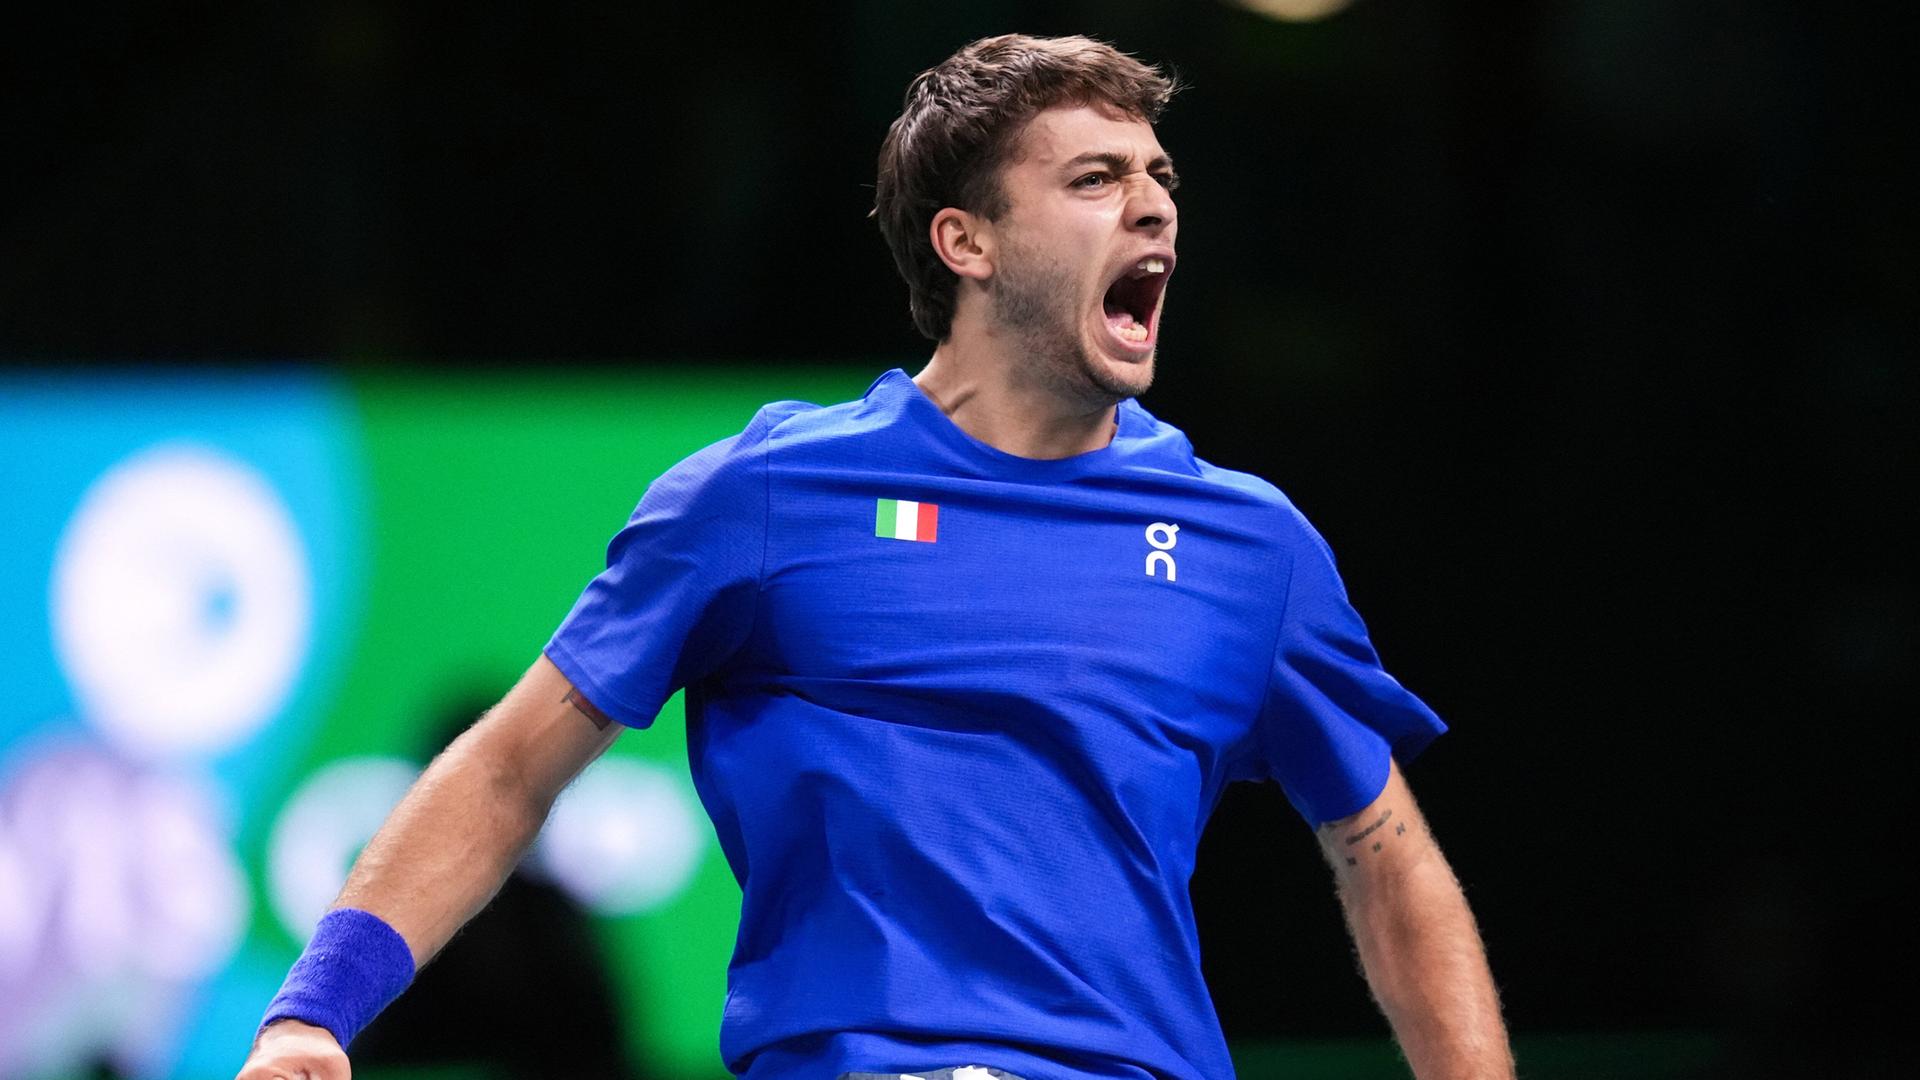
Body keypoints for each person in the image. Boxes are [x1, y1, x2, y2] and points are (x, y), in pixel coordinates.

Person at [237, 33, 1514, 1080]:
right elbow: (511, 768)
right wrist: (316, 1011)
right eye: (1095, 178)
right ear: (968, 242)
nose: (1154, 204)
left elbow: (1383, 851)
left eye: (1160, 175)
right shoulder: (763, 496)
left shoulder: (1250, 545)